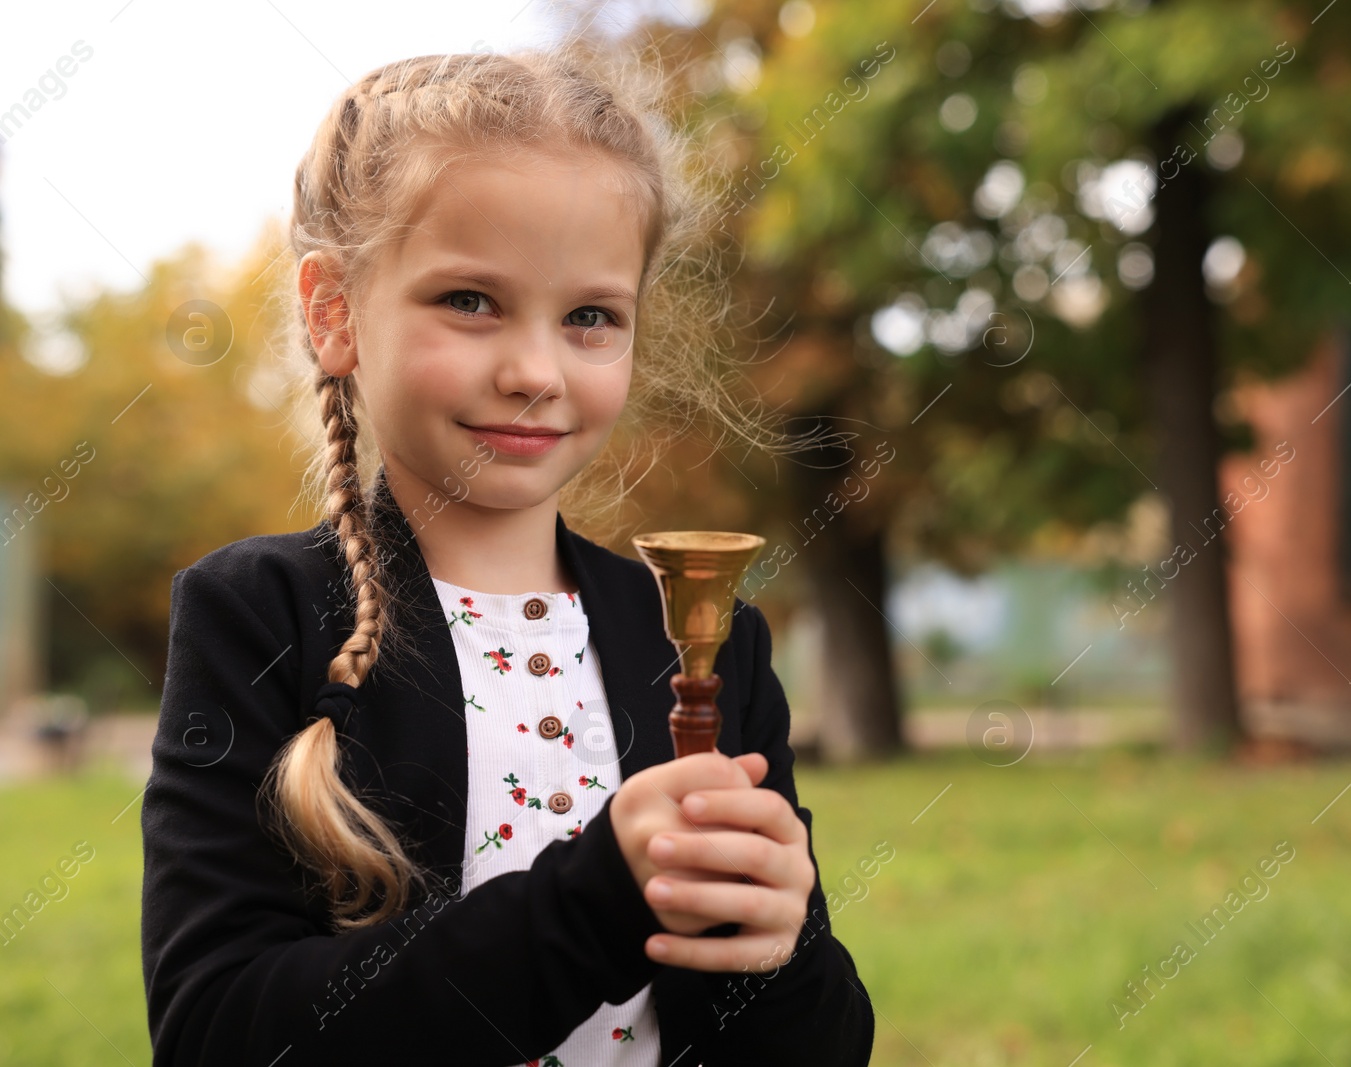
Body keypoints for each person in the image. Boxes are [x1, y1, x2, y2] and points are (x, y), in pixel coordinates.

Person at [139, 41, 874, 1067]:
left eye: (588, 317)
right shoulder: (260, 613)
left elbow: (814, 1046)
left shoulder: (708, 638)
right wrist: (599, 899)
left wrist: (779, 951)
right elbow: (219, 1031)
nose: (535, 370)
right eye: (471, 301)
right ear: (334, 312)